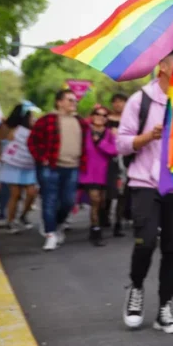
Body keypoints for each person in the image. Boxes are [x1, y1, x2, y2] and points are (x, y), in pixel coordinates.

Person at [117, 45, 173, 334]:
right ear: (163, 65)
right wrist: (147, 137)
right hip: (145, 183)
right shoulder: (139, 100)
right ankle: (135, 289)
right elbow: (120, 143)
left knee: (172, 246)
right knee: (145, 241)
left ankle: (164, 309)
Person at [28, 89, 90, 251]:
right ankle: (50, 234)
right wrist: (41, 158)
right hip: (51, 167)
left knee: (69, 201)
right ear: (59, 102)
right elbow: (32, 141)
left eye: (75, 100)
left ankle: (57, 224)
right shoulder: (46, 120)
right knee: (49, 201)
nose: (73, 103)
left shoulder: (81, 122)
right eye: (70, 100)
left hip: (73, 167)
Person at [76, 105, 118, 247]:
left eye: (104, 115)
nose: (100, 117)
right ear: (92, 116)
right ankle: (96, 231)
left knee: (102, 202)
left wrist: (100, 142)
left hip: (105, 173)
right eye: (98, 114)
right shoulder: (84, 132)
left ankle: (97, 226)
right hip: (88, 173)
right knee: (95, 200)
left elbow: (114, 151)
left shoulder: (109, 134)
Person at [0, 104, 39, 233]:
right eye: (31, 116)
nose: (34, 118)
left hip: (29, 165)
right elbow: (1, 140)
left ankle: (23, 215)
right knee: (15, 194)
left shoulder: (34, 130)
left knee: (32, 192)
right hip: (13, 165)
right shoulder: (12, 129)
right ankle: (11, 221)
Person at [105, 93, 129, 237]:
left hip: (125, 158)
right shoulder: (106, 120)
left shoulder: (131, 119)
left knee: (123, 191)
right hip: (108, 158)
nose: (118, 104)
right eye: (115, 102)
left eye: (121, 101)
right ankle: (105, 216)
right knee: (107, 190)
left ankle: (118, 222)